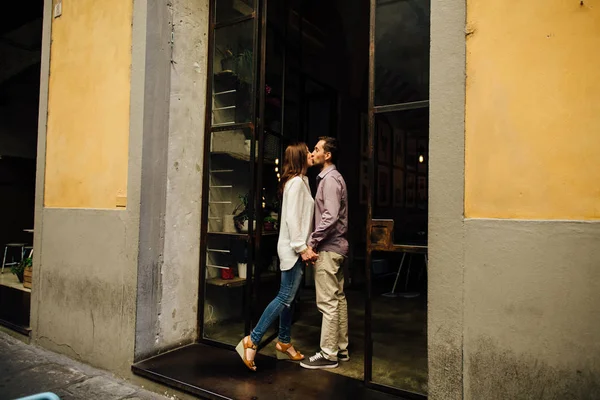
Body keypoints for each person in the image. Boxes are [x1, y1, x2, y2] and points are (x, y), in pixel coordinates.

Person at [236, 143, 315, 372]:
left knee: (289, 298)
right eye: (308, 152)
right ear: (301, 157)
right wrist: (302, 248)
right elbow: (292, 219)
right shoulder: (297, 183)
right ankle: (253, 339)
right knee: (284, 297)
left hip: (294, 248)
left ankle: (284, 340)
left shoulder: (300, 182)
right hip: (293, 249)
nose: (311, 154)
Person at [300, 136, 349, 370]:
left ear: (327, 155)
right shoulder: (334, 178)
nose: (314, 152)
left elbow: (329, 216)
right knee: (338, 299)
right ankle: (341, 348)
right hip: (337, 248)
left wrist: (312, 242)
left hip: (329, 249)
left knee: (328, 302)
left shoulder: (329, 181)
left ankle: (328, 353)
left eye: (317, 149)